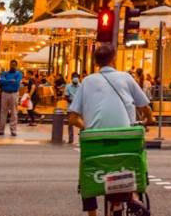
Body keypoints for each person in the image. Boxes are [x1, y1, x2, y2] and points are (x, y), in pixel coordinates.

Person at [67, 44, 153, 216]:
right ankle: (133, 196)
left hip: (95, 142)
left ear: (96, 62)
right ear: (114, 59)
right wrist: (149, 120)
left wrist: (87, 127)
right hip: (125, 138)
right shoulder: (126, 77)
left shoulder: (87, 81)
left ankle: (92, 212)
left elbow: (72, 118)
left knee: (86, 173)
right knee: (134, 159)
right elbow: (145, 108)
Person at [0, 59, 24, 136]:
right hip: (5, 93)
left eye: (14, 65)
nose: (13, 66)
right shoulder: (4, 73)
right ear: (9, 65)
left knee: (14, 112)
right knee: (3, 112)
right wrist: (10, 81)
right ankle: (1, 130)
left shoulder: (19, 74)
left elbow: (16, 82)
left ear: (16, 66)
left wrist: (6, 81)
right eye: (11, 64)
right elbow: (1, 81)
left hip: (14, 94)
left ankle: (13, 130)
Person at [65, 72, 81, 144]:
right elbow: (66, 97)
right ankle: (70, 139)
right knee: (70, 123)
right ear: (71, 78)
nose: (75, 78)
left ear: (79, 78)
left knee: (81, 123)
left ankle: (81, 138)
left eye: (76, 77)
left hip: (80, 108)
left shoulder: (81, 86)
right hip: (70, 108)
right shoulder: (68, 86)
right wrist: (75, 101)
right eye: (74, 77)